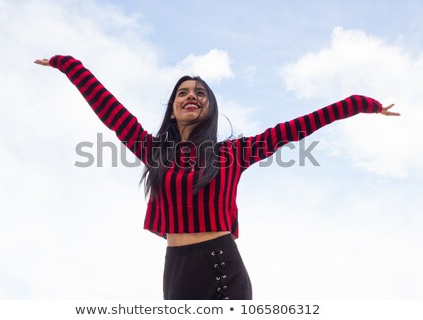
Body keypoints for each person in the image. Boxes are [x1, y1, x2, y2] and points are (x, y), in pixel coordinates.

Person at [34, 55, 400, 300]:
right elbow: (109, 109)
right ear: (173, 108)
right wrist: (69, 65)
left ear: (209, 107)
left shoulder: (232, 154)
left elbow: (298, 126)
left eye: (200, 93)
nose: (191, 96)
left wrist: (363, 104)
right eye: (183, 93)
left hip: (220, 265)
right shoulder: (154, 152)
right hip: (175, 270)